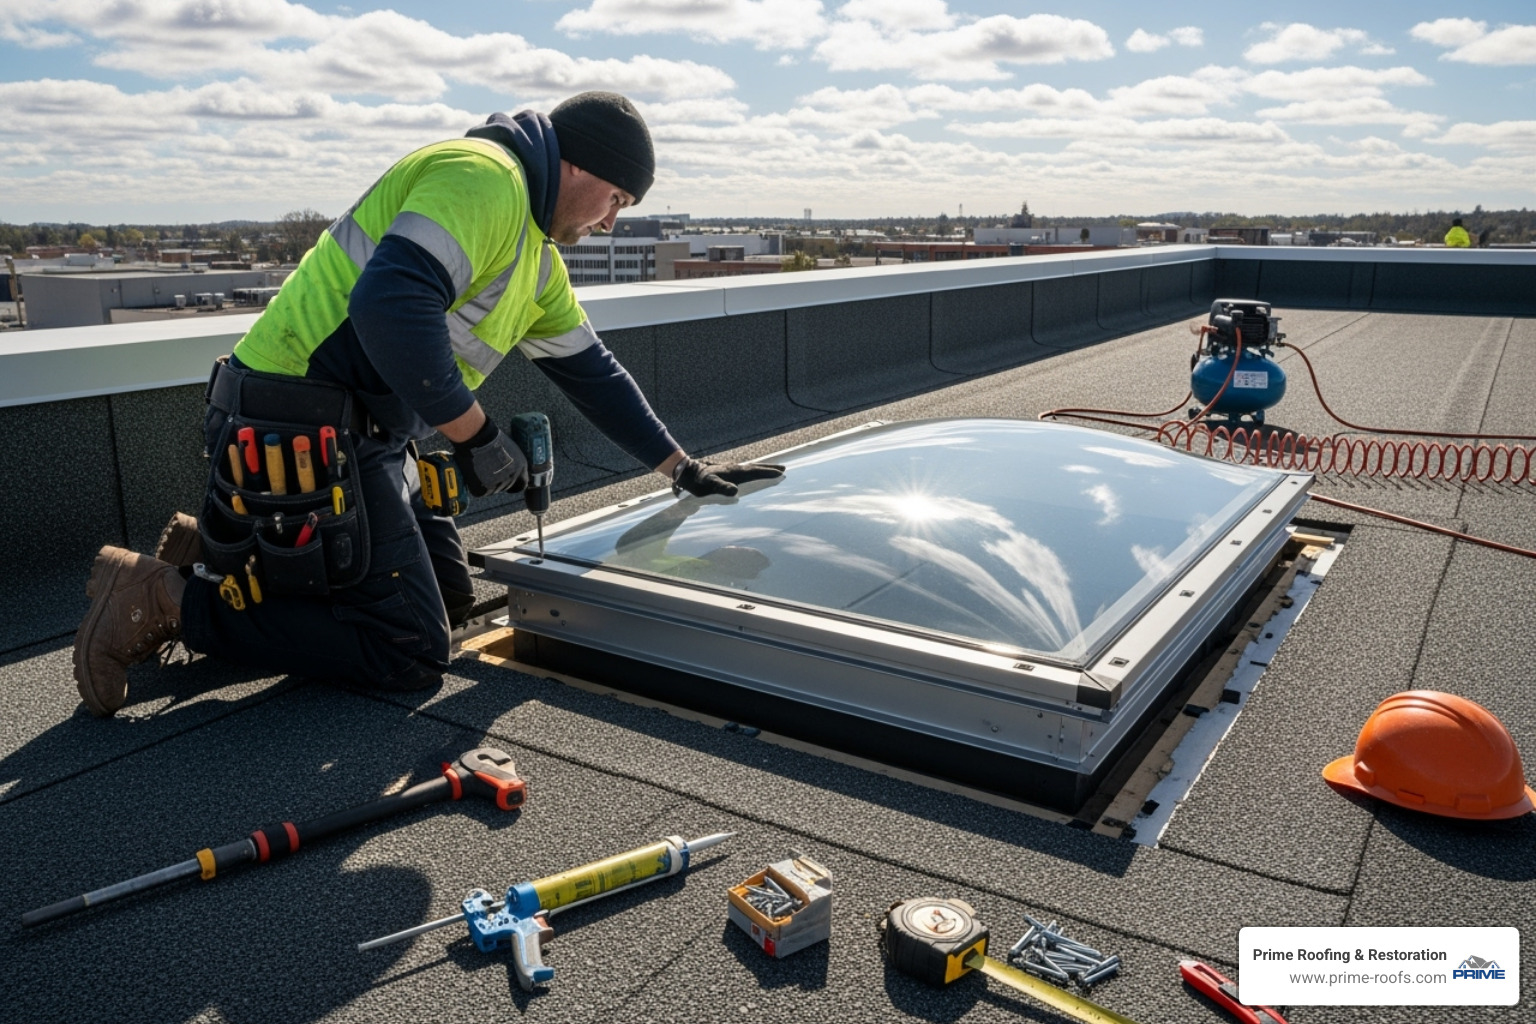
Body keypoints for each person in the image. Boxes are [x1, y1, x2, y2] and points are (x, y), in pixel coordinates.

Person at [72, 92, 784, 717]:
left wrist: (680, 468)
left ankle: (230, 558)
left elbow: (591, 371)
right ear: (580, 167)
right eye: (618, 201)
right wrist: (475, 437)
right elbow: (388, 303)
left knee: (446, 602)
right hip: (296, 416)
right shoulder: (486, 178)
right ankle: (169, 599)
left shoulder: (535, 257)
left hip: (362, 434)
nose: (611, 222)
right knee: (408, 649)